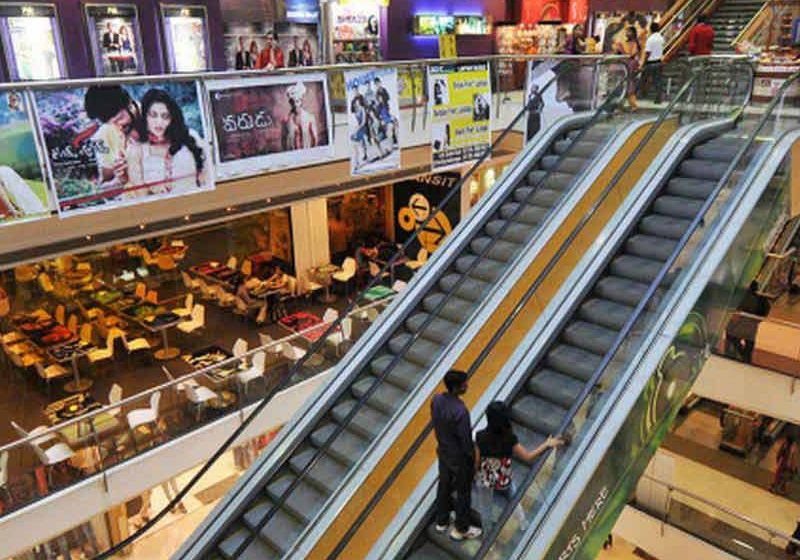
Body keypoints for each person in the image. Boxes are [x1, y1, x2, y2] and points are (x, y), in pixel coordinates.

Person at [474, 402, 563, 526]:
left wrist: (474, 474)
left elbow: (476, 461)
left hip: (485, 479)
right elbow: (528, 457)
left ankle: (487, 534)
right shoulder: (509, 438)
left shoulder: (480, 436)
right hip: (504, 479)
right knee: (514, 499)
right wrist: (546, 444)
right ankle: (523, 524)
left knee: (486, 510)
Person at [125, 88, 207, 196]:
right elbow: (142, 197)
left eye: (165, 116)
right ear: (145, 116)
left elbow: (207, 178)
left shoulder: (190, 137)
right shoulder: (136, 150)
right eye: (153, 115)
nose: (159, 122)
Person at [432, 370, 482, 541]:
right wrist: (473, 460)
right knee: (463, 492)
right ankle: (461, 528)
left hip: (443, 451)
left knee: (444, 485)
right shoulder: (461, 411)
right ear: (457, 387)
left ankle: (442, 521)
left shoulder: (436, 400)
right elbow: (466, 441)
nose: (467, 385)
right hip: (459, 458)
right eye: (464, 383)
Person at [84, 85, 140, 190]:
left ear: (129, 103)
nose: (119, 126)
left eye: (121, 118)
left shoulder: (157, 117)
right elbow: (104, 186)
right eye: (112, 123)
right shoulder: (104, 134)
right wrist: (120, 181)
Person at [281, 82, 318, 150]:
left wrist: (312, 153)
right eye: (293, 102)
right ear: (290, 103)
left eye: (297, 101)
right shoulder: (285, 120)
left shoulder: (310, 118)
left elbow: (315, 138)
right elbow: (283, 141)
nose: (295, 104)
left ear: (301, 101)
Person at [616, 26, 641, 111]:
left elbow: (631, 55)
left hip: (630, 66)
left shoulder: (635, 43)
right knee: (623, 85)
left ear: (633, 33)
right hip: (625, 66)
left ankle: (633, 105)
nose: (627, 33)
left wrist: (621, 49)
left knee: (629, 85)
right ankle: (621, 104)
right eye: (626, 32)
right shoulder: (626, 43)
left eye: (629, 32)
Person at [641, 22, 664, 104]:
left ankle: (642, 94)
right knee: (658, 81)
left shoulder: (650, 39)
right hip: (659, 61)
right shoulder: (661, 38)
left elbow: (648, 52)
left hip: (650, 62)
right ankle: (659, 97)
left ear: (651, 29)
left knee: (644, 79)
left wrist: (643, 62)